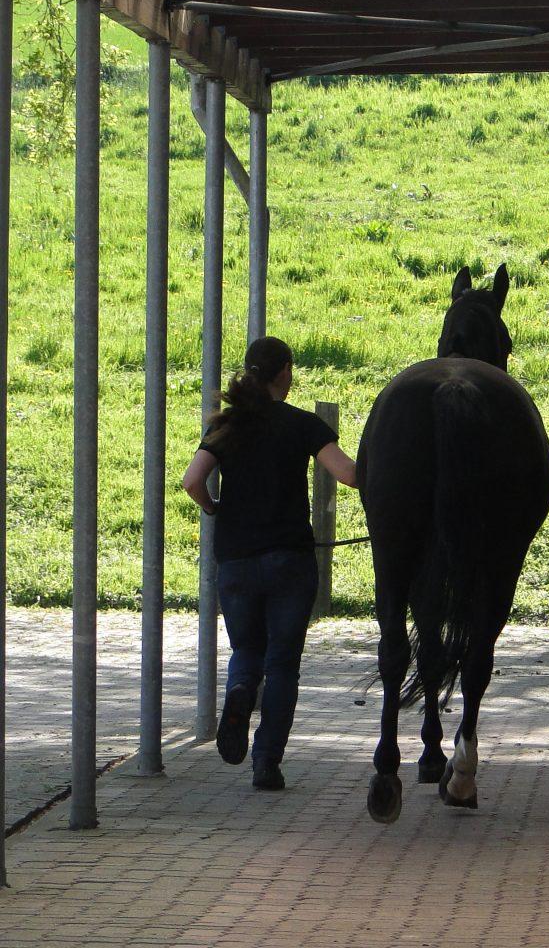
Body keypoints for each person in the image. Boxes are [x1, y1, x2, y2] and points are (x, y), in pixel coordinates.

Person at [182, 336, 357, 790]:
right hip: (290, 562)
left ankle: (240, 692)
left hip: (236, 562)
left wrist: (214, 508)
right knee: (282, 664)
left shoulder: (227, 425)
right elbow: (350, 475)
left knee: (247, 651)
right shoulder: (303, 424)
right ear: (285, 373)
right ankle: (266, 762)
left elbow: (192, 480)